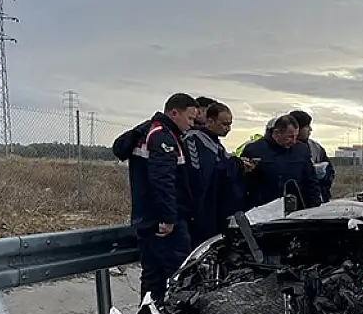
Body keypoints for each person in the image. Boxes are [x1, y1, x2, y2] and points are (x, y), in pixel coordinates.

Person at [111, 93, 198, 303]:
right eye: (190, 118)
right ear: (174, 112)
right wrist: (168, 218)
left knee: (153, 279)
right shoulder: (163, 137)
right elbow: (162, 180)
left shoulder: (149, 131)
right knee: (178, 277)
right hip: (163, 224)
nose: (191, 124)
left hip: (148, 220)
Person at [183, 98, 255, 246]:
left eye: (230, 124)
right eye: (224, 124)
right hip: (202, 212)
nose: (228, 129)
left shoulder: (215, 142)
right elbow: (204, 172)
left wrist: (240, 165)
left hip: (218, 211)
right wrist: (236, 164)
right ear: (210, 122)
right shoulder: (194, 139)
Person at [239, 114, 322, 211]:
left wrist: (314, 207)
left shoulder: (301, 150)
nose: (294, 141)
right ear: (277, 133)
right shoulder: (254, 150)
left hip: (296, 210)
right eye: (290, 137)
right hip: (263, 210)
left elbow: (310, 181)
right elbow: (243, 184)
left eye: (296, 136)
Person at [289, 110, 336, 202]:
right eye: (307, 126)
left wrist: (322, 178)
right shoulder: (284, 147)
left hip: (317, 198)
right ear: (297, 128)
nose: (310, 129)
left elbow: (330, 171)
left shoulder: (316, 147)